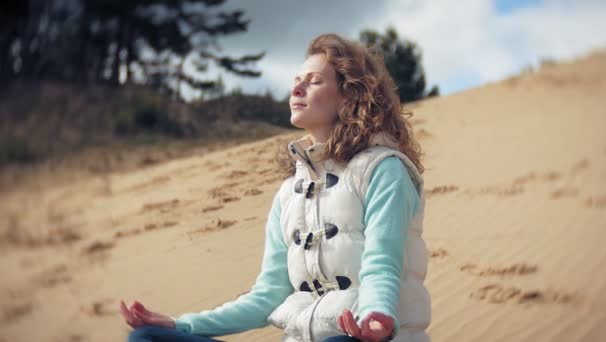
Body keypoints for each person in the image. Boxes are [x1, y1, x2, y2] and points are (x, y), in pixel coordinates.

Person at [120, 33, 430, 342]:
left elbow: (382, 262)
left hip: (365, 338)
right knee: (148, 338)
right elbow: (267, 297)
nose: (297, 88)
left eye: (314, 81)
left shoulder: (384, 170)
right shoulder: (289, 194)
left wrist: (376, 317)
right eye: (297, 80)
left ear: (350, 95)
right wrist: (181, 325)